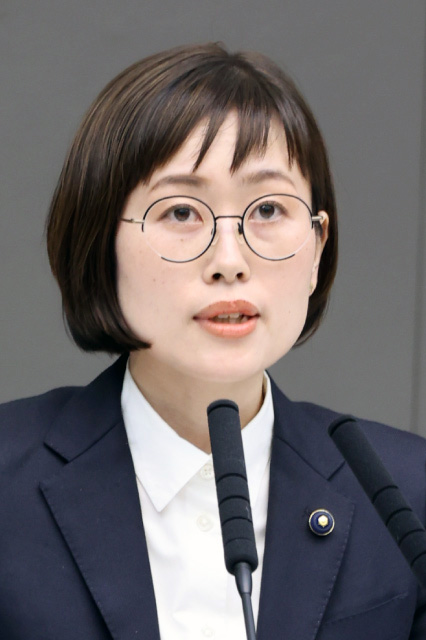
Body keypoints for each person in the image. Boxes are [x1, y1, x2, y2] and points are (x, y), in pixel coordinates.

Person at [0, 43, 425, 640]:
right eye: (181, 213)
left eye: (268, 209)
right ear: (100, 243)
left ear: (317, 248)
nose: (230, 260)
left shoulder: (405, 492)